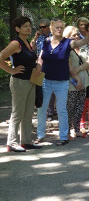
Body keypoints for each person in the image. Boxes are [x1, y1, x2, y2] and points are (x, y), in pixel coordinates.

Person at [36, 19, 89, 145]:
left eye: (61, 27)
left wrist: (88, 37)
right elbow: (41, 58)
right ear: (51, 29)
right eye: (57, 27)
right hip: (46, 80)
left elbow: (79, 43)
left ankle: (63, 136)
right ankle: (40, 135)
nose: (59, 29)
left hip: (61, 82)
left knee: (62, 109)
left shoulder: (68, 42)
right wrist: (38, 67)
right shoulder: (46, 42)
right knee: (42, 108)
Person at [0, 16, 41, 152]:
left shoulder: (26, 42)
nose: (28, 28)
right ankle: (11, 143)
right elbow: (1, 56)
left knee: (28, 112)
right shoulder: (15, 43)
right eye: (24, 26)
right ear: (17, 29)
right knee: (17, 112)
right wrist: (10, 70)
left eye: (29, 25)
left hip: (30, 81)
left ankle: (26, 141)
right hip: (19, 81)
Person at [63, 26, 89, 140]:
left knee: (80, 106)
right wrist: (76, 77)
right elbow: (69, 67)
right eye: (73, 35)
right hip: (71, 82)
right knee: (70, 107)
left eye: (77, 34)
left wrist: (79, 68)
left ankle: (76, 129)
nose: (76, 36)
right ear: (68, 36)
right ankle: (67, 131)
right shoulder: (67, 49)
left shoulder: (83, 46)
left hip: (84, 81)